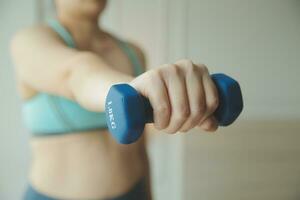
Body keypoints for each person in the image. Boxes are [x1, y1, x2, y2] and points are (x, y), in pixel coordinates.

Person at [10, 0, 219, 199]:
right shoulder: (29, 41)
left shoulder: (133, 53)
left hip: (134, 193)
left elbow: (140, 147)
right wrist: (130, 90)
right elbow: (76, 74)